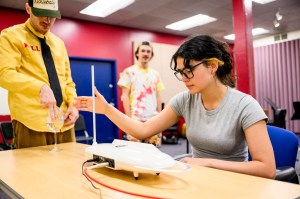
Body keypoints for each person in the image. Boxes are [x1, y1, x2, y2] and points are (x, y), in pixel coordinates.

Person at [74, 35, 276, 179]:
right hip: (198, 178)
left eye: (189, 71)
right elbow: (143, 129)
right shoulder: (185, 100)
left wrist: (208, 162)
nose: (184, 79)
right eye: (181, 72)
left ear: (212, 66)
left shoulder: (245, 105)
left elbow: (267, 169)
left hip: (235, 184)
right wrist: (107, 109)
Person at [0, 0, 78, 149]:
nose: (47, 20)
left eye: (52, 15)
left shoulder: (59, 43)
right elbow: (4, 74)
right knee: (32, 171)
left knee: (70, 169)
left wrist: (73, 104)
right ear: (28, 8)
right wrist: (39, 87)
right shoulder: (10, 36)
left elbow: (68, 81)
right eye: (42, 14)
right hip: (31, 123)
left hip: (64, 123)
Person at [117, 41, 165, 147]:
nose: (145, 53)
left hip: (153, 120)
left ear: (151, 55)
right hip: (135, 120)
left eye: (148, 51)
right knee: (135, 153)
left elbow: (158, 96)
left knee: (154, 152)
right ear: (137, 53)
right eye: (143, 51)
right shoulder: (128, 72)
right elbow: (125, 96)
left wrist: (160, 116)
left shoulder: (155, 74)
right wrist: (129, 119)